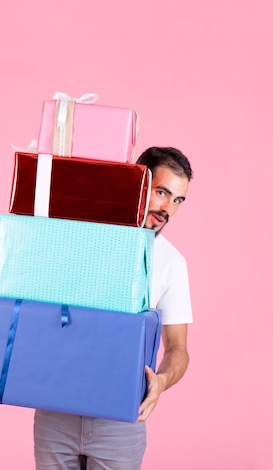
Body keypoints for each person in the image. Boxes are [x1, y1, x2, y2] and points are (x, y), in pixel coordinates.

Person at [34, 146, 193, 470]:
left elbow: (178, 348)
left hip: (121, 421)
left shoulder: (171, 263)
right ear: (136, 182)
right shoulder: (79, 236)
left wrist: (161, 381)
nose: (168, 209)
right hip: (56, 411)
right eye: (162, 193)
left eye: (177, 200)